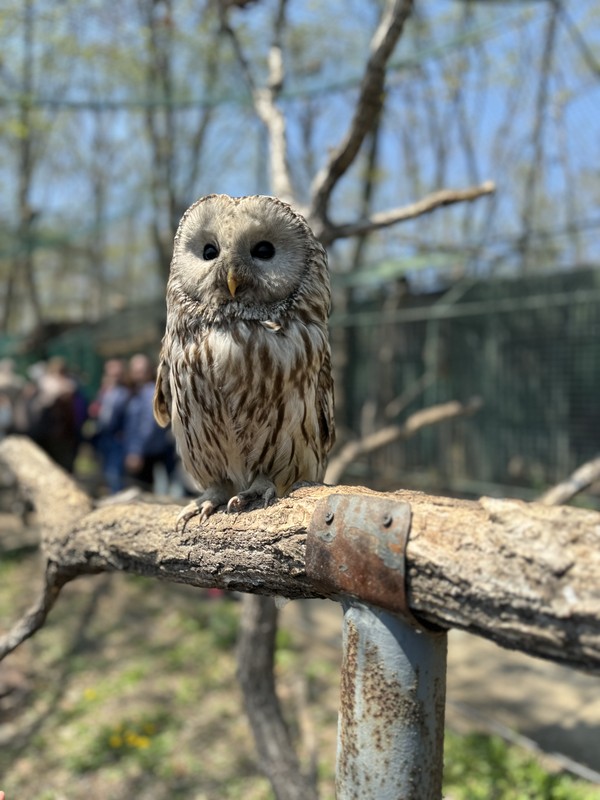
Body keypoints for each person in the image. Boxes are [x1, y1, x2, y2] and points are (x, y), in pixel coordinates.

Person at [123, 354, 176, 492]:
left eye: (142, 371)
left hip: (148, 453)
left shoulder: (149, 392)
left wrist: (136, 451)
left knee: (145, 491)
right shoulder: (135, 392)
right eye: (136, 371)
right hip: (147, 451)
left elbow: (148, 425)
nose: (139, 375)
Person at [89, 359, 130, 493]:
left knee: (115, 474)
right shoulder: (104, 392)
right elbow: (96, 411)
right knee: (106, 472)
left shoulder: (126, 392)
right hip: (103, 437)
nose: (113, 376)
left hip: (118, 438)